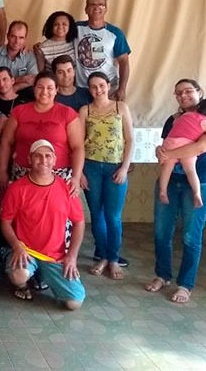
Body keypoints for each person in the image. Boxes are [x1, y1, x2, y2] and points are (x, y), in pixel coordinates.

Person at [146, 79, 206, 304]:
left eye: (188, 91)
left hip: (200, 184)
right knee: (161, 233)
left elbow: (200, 147)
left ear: (199, 92)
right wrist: (160, 151)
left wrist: (168, 154)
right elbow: (166, 144)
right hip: (171, 182)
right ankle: (162, 275)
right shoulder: (173, 119)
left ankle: (185, 285)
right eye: (178, 93)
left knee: (191, 237)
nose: (183, 96)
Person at [0, 139, 86, 309]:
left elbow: (79, 223)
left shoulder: (67, 188)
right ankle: (23, 285)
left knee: (74, 302)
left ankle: (42, 275)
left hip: (54, 256)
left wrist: (72, 256)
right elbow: (5, 222)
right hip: (26, 251)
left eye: (48, 156)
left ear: (54, 160)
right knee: (19, 275)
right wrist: (17, 246)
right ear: (29, 159)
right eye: (38, 156)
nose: (43, 160)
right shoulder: (17, 188)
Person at [79, 72, 133, 280]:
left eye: (101, 85)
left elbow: (130, 140)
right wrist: (80, 172)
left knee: (113, 216)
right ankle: (101, 255)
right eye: (93, 87)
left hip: (115, 168)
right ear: (89, 90)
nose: (98, 90)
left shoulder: (121, 107)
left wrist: (124, 168)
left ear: (108, 86)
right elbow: (79, 143)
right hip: (91, 167)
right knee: (97, 214)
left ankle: (113, 258)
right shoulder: (85, 110)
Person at [0, 71, 84, 193]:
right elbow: (6, 142)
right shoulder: (19, 112)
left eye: (49, 88)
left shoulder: (67, 113)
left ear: (56, 90)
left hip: (59, 173)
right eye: (40, 87)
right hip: (23, 172)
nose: (44, 92)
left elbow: (78, 147)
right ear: (34, 89)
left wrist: (76, 176)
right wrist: (2, 171)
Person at [158, 97, 206, 207]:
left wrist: (166, 152)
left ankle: (163, 191)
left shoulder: (184, 115)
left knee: (167, 168)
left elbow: (175, 125)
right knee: (191, 170)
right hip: (187, 146)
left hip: (171, 143)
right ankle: (197, 193)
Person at [74, 0, 131, 100]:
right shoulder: (76, 28)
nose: (97, 7)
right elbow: (59, 37)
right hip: (81, 88)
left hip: (108, 88)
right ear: (86, 9)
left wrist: (122, 88)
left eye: (101, 5)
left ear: (106, 9)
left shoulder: (116, 33)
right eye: (92, 5)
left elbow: (124, 62)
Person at [0, 21, 37, 92]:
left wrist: (14, 89)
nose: (17, 41)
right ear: (7, 36)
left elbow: (33, 80)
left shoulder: (30, 56)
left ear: (25, 39)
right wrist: (19, 79)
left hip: (22, 94)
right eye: (13, 36)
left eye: (21, 38)